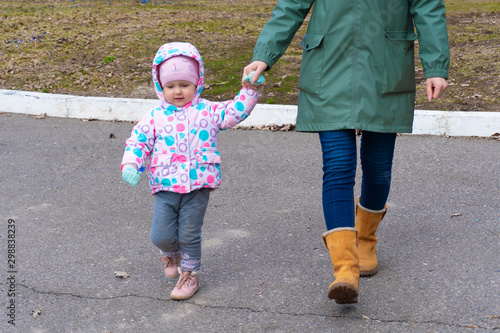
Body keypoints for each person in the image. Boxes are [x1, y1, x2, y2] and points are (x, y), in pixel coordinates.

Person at [243, 0, 449, 304]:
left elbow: (428, 8)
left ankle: (365, 239)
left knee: (378, 169)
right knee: (338, 166)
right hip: (328, 68)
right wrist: (264, 56)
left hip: (385, 68)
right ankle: (345, 269)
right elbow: (290, 7)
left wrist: (436, 66)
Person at [121, 42, 264, 300]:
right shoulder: (154, 117)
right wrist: (132, 164)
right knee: (160, 235)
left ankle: (190, 274)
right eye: (170, 86)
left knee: (189, 232)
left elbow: (234, 112)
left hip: (198, 185)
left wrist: (250, 90)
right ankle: (170, 252)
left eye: (184, 85)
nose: (178, 91)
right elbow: (138, 141)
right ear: (160, 87)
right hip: (165, 186)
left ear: (197, 83)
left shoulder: (207, 111)